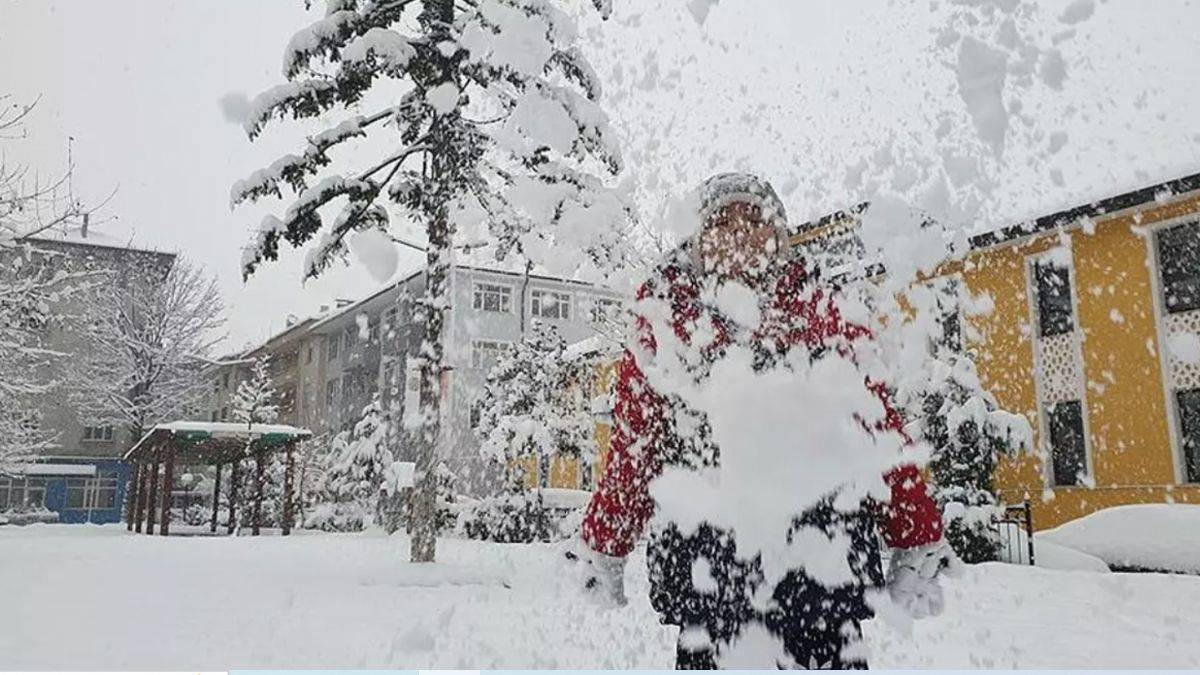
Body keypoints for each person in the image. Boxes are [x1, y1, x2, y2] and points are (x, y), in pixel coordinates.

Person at [566, 173, 959, 669]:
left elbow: (876, 427)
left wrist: (915, 532)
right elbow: (636, 446)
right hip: (707, 573)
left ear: (777, 233)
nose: (737, 231)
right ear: (697, 237)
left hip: (823, 571)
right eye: (721, 220)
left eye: (753, 218)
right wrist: (605, 541)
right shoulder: (666, 316)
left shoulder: (822, 307)